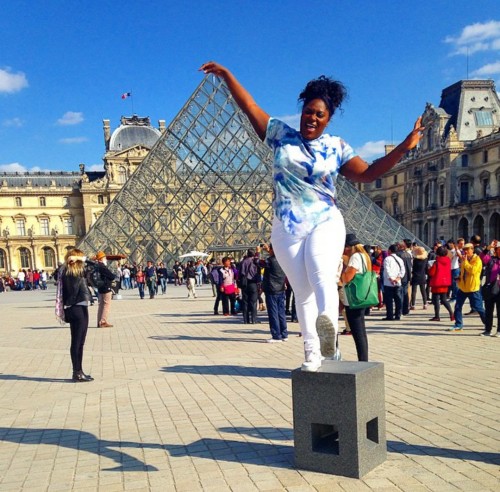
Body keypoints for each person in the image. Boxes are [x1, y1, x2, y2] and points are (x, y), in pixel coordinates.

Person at [200, 61, 423, 371]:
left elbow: (369, 174)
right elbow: (249, 105)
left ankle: (329, 337)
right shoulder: (280, 134)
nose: (313, 118)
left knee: (321, 275)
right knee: (302, 293)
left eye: (320, 114)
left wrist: (404, 147)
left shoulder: (336, 147)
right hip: (286, 228)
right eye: (309, 111)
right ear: (301, 111)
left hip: (325, 221)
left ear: (328, 120)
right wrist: (226, 76)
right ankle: (311, 356)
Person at [56, 249, 94, 382]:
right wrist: (79, 260)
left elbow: (96, 266)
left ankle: (79, 371)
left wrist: (82, 259)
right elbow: (95, 265)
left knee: (80, 342)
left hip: (80, 307)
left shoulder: (75, 271)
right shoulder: (69, 272)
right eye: (81, 258)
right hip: (76, 308)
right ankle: (76, 372)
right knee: (77, 342)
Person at [451, 243, 486, 332]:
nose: (465, 251)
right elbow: (463, 271)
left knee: (479, 308)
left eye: (467, 249)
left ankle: (487, 323)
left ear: (472, 249)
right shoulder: (464, 259)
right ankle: (458, 324)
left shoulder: (477, 260)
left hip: (473, 288)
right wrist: (459, 277)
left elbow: (472, 270)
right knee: (458, 306)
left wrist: (465, 262)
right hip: (463, 287)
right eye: (464, 250)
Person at [262, 243, 288, 342]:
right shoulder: (283, 260)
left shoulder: (270, 260)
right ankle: (284, 334)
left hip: (271, 289)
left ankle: (276, 335)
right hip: (280, 288)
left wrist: (257, 252)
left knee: (273, 313)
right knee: (281, 312)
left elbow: (258, 263)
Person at [428, 246, 454, 322]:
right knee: (444, 299)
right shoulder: (448, 261)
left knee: (435, 300)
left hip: (437, 282)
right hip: (445, 282)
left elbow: (432, 273)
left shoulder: (436, 262)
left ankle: (437, 316)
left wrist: (429, 268)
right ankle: (451, 313)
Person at [480, 242, 500, 337]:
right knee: (488, 310)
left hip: (499, 289)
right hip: (489, 288)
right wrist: (488, 248)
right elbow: (482, 256)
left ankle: (499, 331)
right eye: (498, 249)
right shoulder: (491, 260)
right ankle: (488, 330)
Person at [382, 245, 406, 321]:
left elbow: (387, 270)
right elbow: (403, 270)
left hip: (389, 283)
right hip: (398, 282)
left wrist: (391, 279)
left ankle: (390, 315)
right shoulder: (400, 259)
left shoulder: (387, 259)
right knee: (398, 299)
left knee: (389, 300)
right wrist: (398, 278)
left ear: (389, 250)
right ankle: (398, 315)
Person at [239, 248, 261, 324]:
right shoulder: (255, 261)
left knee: (245, 301)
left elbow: (241, 273)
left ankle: (246, 319)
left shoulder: (243, 262)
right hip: (253, 283)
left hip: (245, 283)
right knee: (253, 302)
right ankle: (254, 319)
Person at [93, 251, 115, 327]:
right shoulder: (102, 266)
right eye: (104, 258)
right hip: (106, 288)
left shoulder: (95, 266)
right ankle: (103, 322)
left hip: (100, 288)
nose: (106, 259)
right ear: (101, 259)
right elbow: (111, 276)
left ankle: (99, 321)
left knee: (101, 305)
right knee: (106, 305)